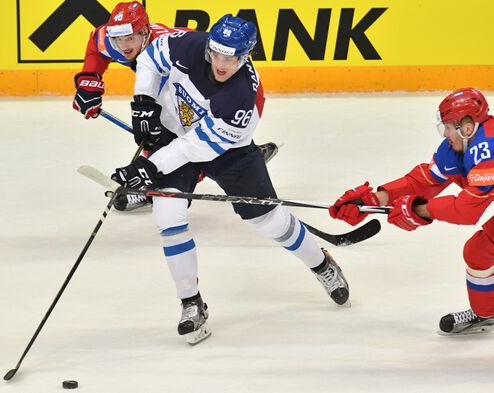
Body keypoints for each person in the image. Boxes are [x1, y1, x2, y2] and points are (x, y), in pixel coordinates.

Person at [109, 14, 351, 344]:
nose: (222, 64)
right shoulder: (190, 44)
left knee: (269, 221)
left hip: (227, 151)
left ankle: (321, 263)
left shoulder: (239, 97)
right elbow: (150, 58)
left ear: (245, 56)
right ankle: (192, 303)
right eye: (217, 55)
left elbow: (197, 147)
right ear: (209, 47)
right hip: (175, 136)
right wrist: (143, 102)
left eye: (231, 58)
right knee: (168, 215)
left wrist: (151, 168)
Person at [72, 1, 279, 211]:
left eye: (130, 39)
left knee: (183, 137)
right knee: (157, 128)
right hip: (192, 90)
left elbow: (186, 136)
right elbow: (95, 46)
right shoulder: (115, 39)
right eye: (118, 40)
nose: (123, 46)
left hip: (237, 95)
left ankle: (236, 159)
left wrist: (150, 166)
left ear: (145, 32)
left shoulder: (168, 50)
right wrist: (89, 82)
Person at [329, 87, 494, 335]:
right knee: (479, 251)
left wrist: (418, 209)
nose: (445, 134)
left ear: (467, 127)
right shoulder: (460, 147)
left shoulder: (487, 149)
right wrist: (375, 199)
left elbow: (466, 211)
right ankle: (487, 313)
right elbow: (425, 181)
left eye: (448, 127)